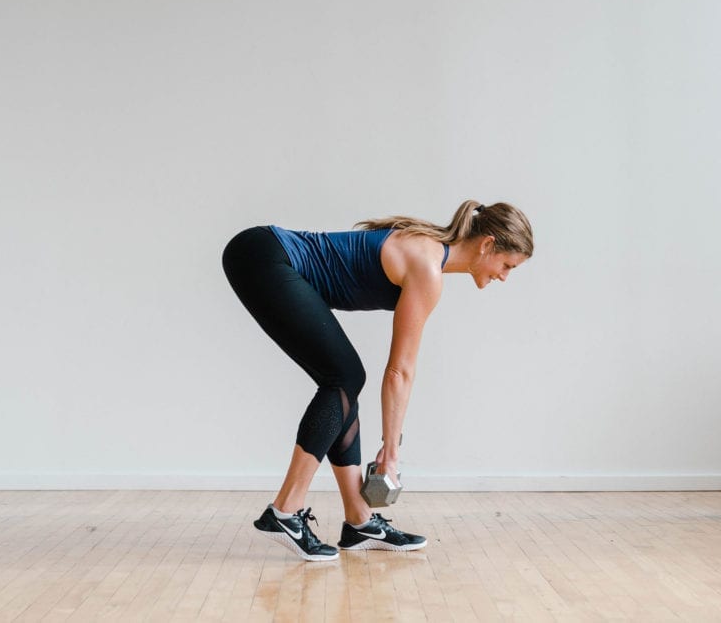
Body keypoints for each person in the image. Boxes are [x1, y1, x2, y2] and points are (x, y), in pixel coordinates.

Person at [221, 200, 534, 561]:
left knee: (343, 382)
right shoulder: (428, 269)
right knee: (344, 376)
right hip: (265, 257)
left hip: (259, 253)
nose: (504, 276)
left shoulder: (430, 251)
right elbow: (400, 371)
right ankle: (285, 511)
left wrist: (390, 445)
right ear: (487, 245)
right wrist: (392, 451)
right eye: (507, 265)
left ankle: (359, 521)